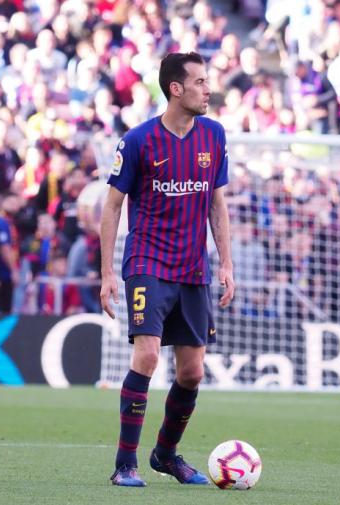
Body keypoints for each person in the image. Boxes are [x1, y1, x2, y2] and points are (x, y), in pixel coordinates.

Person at [100, 52, 235, 488]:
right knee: (148, 354)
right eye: (199, 82)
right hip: (147, 262)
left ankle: (165, 454)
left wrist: (227, 263)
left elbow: (216, 202)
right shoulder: (138, 141)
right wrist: (106, 273)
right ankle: (125, 464)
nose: (207, 88)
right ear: (176, 89)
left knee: (192, 371)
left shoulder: (214, 136)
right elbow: (112, 206)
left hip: (194, 267)